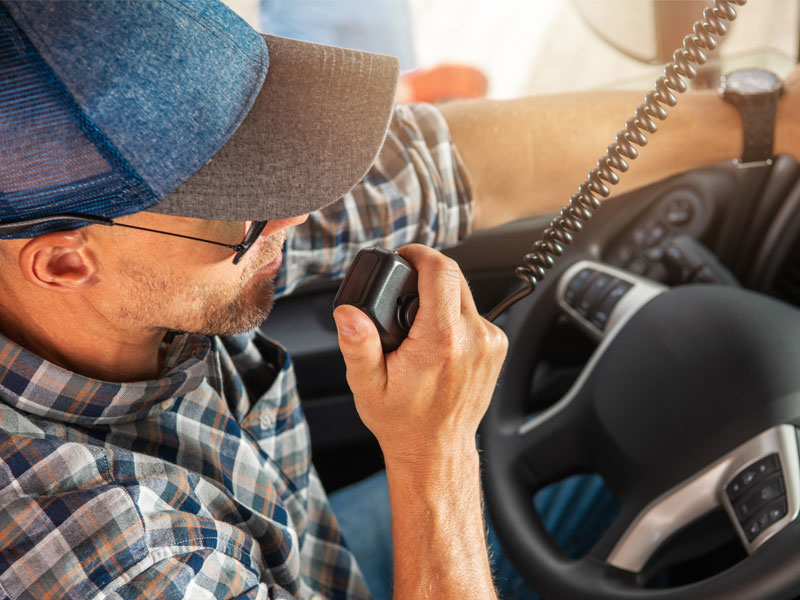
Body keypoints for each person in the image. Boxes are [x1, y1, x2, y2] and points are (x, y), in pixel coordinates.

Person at [0, 2, 798, 600]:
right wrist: (434, 458)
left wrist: (766, 118)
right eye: (248, 202)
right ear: (64, 264)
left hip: (318, 558)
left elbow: (454, 162)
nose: (299, 211)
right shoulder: (78, 547)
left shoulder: (141, 254)